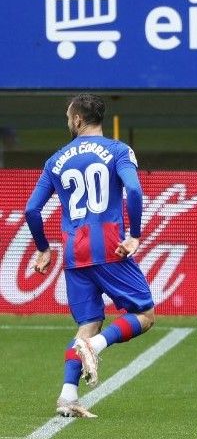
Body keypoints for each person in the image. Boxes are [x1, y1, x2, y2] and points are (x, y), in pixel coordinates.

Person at [25, 93, 154, 418]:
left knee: (89, 323)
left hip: (74, 252)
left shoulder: (55, 160)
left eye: (69, 117)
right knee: (145, 315)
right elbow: (135, 190)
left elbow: (32, 209)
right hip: (110, 246)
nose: (68, 122)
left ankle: (68, 396)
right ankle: (95, 348)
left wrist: (43, 247)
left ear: (78, 119)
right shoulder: (118, 150)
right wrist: (135, 235)